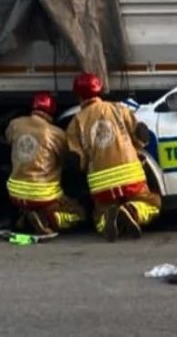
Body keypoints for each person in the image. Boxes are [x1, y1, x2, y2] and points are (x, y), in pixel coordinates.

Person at [64, 73, 161, 241]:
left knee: (99, 218)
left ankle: (109, 218)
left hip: (100, 183)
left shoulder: (75, 122)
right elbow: (141, 137)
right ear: (100, 90)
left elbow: (77, 161)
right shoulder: (118, 108)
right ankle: (132, 211)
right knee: (153, 203)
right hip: (131, 176)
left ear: (78, 95)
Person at [5, 91, 87, 236]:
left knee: (28, 200)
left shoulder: (15, 124)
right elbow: (64, 161)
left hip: (15, 194)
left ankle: (25, 216)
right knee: (79, 213)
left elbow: (8, 140)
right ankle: (50, 219)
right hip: (43, 196)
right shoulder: (57, 134)